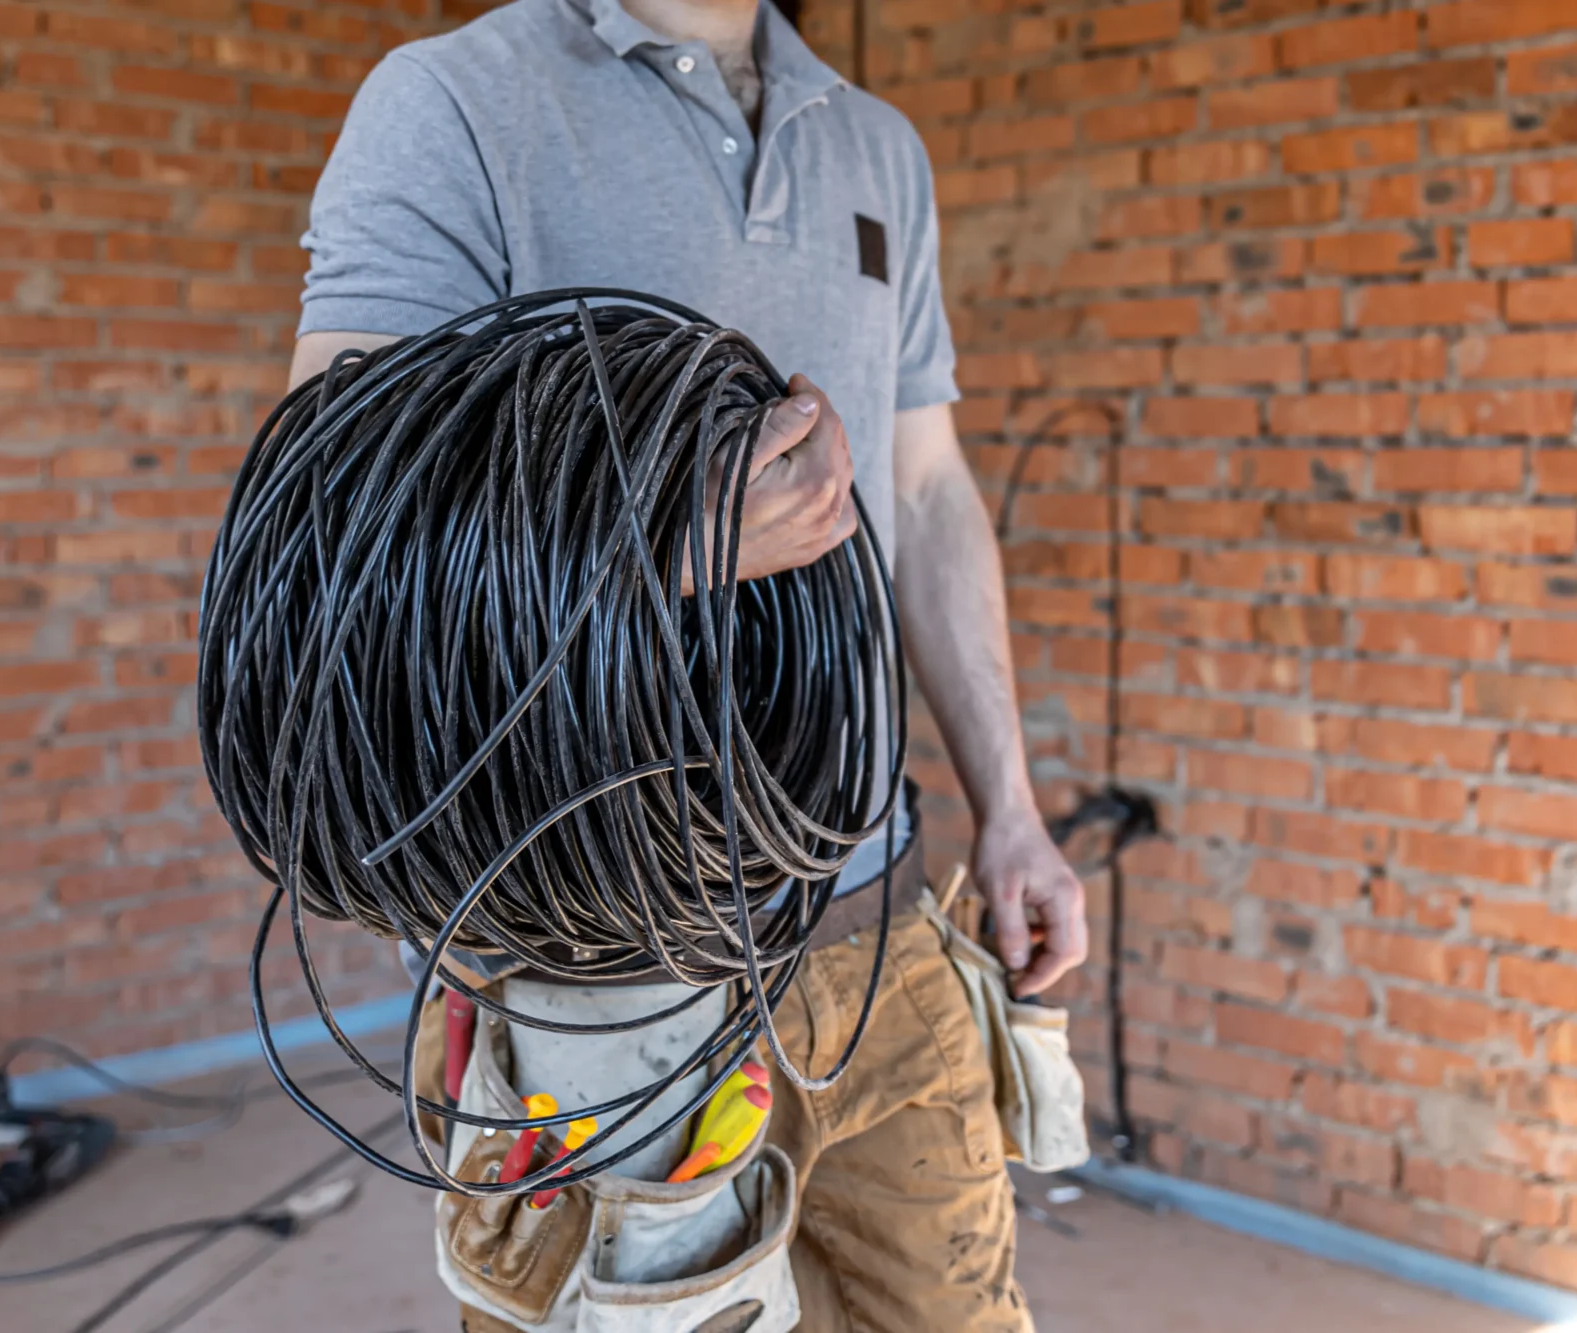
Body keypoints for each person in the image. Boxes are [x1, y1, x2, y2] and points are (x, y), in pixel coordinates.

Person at [290, 0, 1086, 1327]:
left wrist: (1011, 810)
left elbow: (927, 486)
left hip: (875, 923)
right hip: (600, 974)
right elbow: (344, 529)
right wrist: (667, 531)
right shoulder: (454, 103)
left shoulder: (875, 142)